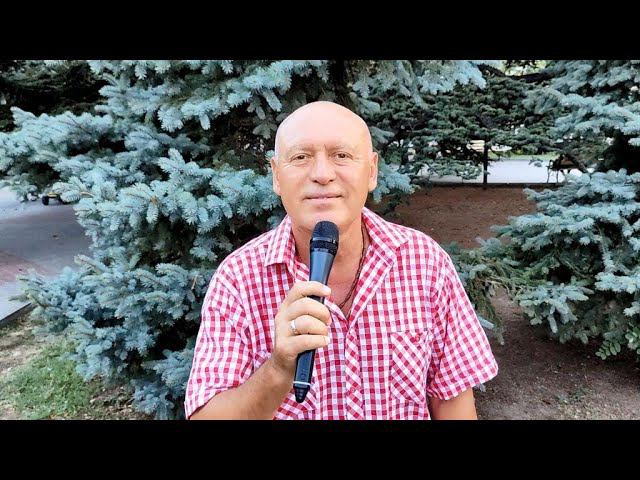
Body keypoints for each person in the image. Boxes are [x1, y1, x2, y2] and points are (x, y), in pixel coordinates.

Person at [185, 101, 498, 420]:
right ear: (277, 176)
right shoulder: (239, 279)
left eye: (342, 155)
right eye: (301, 157)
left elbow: (451, 401)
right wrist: (278, 369)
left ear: (372, 171)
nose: (322, 174)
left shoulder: (425, 263)